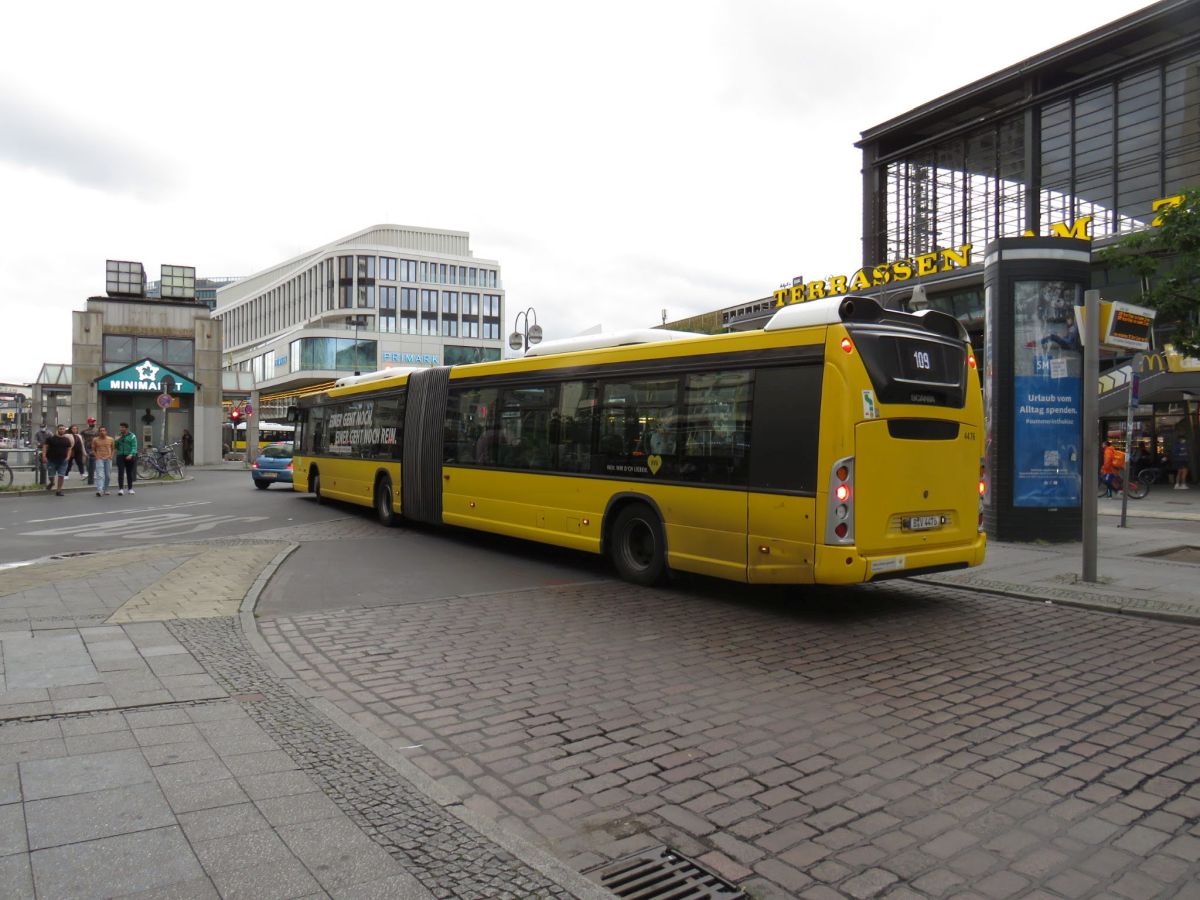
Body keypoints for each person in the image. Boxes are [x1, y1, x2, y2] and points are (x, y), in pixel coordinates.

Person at [41, 424, 73, 497]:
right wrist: (44, 456)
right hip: (52, 460)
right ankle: (52, 483)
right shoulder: (51, 438)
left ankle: (59, 490)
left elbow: (69, 449)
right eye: (60, 429)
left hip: (63, 460)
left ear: (65, 430)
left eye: (63, 429)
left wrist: (68, 457)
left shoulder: (67, 440)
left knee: (61, 476)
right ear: (57, 429)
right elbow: (45, 447)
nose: (62, 430)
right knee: (51, 475)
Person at [114, 421, 138, 495]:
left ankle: (130, 488)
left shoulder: (132, 436)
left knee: (129, 472)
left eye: (122, 427)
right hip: (120, 455)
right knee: (120, 472)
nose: (121, 429)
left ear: (126, 428)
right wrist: (116, 440)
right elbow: (115, 446)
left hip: (129, 455)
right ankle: (120, 489)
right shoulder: (118, 435)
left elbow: (134, 446)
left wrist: (131, 454)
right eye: (120, 427)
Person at [91, 425, 115, 496]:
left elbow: (113, 448)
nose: (102, 432)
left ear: (106, 431)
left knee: (108, 475)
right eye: (101, 431)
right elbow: (93, 449)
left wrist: (111, 456)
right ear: (99, 432)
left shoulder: (111, 439)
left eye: (103, 430)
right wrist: (96, 456)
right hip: (99, 459)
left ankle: (106, 489)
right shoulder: (95, 439)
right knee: (100, 475)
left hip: (108, 459)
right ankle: (100, 490)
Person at [81, 417, 99, 484]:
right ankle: (89, 473)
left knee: (94, 460)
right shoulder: (84, 431)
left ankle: (93, 473)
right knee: (87, 461)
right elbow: (81, 439)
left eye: (93, 422)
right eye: (92, 422)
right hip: (87, 447)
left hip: (94, 447)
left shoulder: (97, 431)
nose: (93, 423)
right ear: (88, 423)